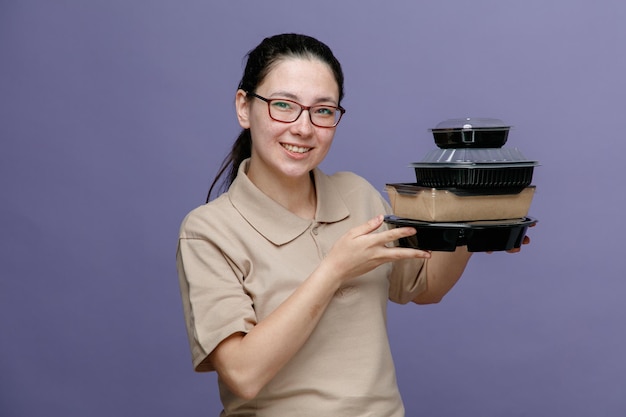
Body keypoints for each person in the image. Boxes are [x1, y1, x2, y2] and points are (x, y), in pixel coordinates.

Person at [176, 33, 527, 417]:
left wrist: (469, 229)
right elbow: (243, 374)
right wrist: (335, 269)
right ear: (244, 107)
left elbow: (423, 287)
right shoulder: (209, 231)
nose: (303, 128)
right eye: (283, 105)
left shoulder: (356, 195)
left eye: (323, 111)